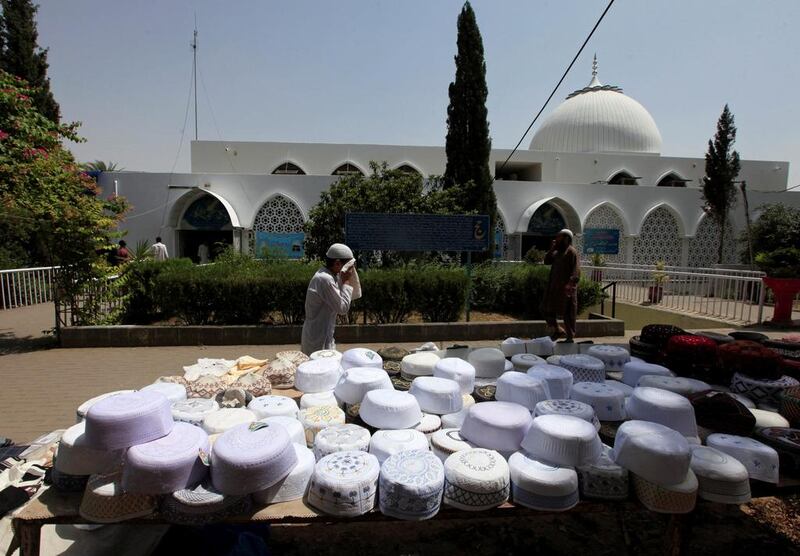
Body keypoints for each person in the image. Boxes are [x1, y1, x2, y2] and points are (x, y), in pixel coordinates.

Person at [301, 243, 360, 355]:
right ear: (337, 263)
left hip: (324, 334)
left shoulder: (330, 276)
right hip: (317, 337)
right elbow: (342, 308)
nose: (352, 270)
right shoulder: (324, 279)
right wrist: (346, 281)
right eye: (350, 266)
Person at [541, 229, 580, 342]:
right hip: (553, 288)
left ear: (566, 238)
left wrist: (571, 283)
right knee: (545, 308)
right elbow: (547, 261)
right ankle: (558, 330)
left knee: (568, 313)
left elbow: (576, 270)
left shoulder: (571, 252)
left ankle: (570, 336)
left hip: (566, 289)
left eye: (559, 237)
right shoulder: (557, 251)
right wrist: (552, 248)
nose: (556, 239)